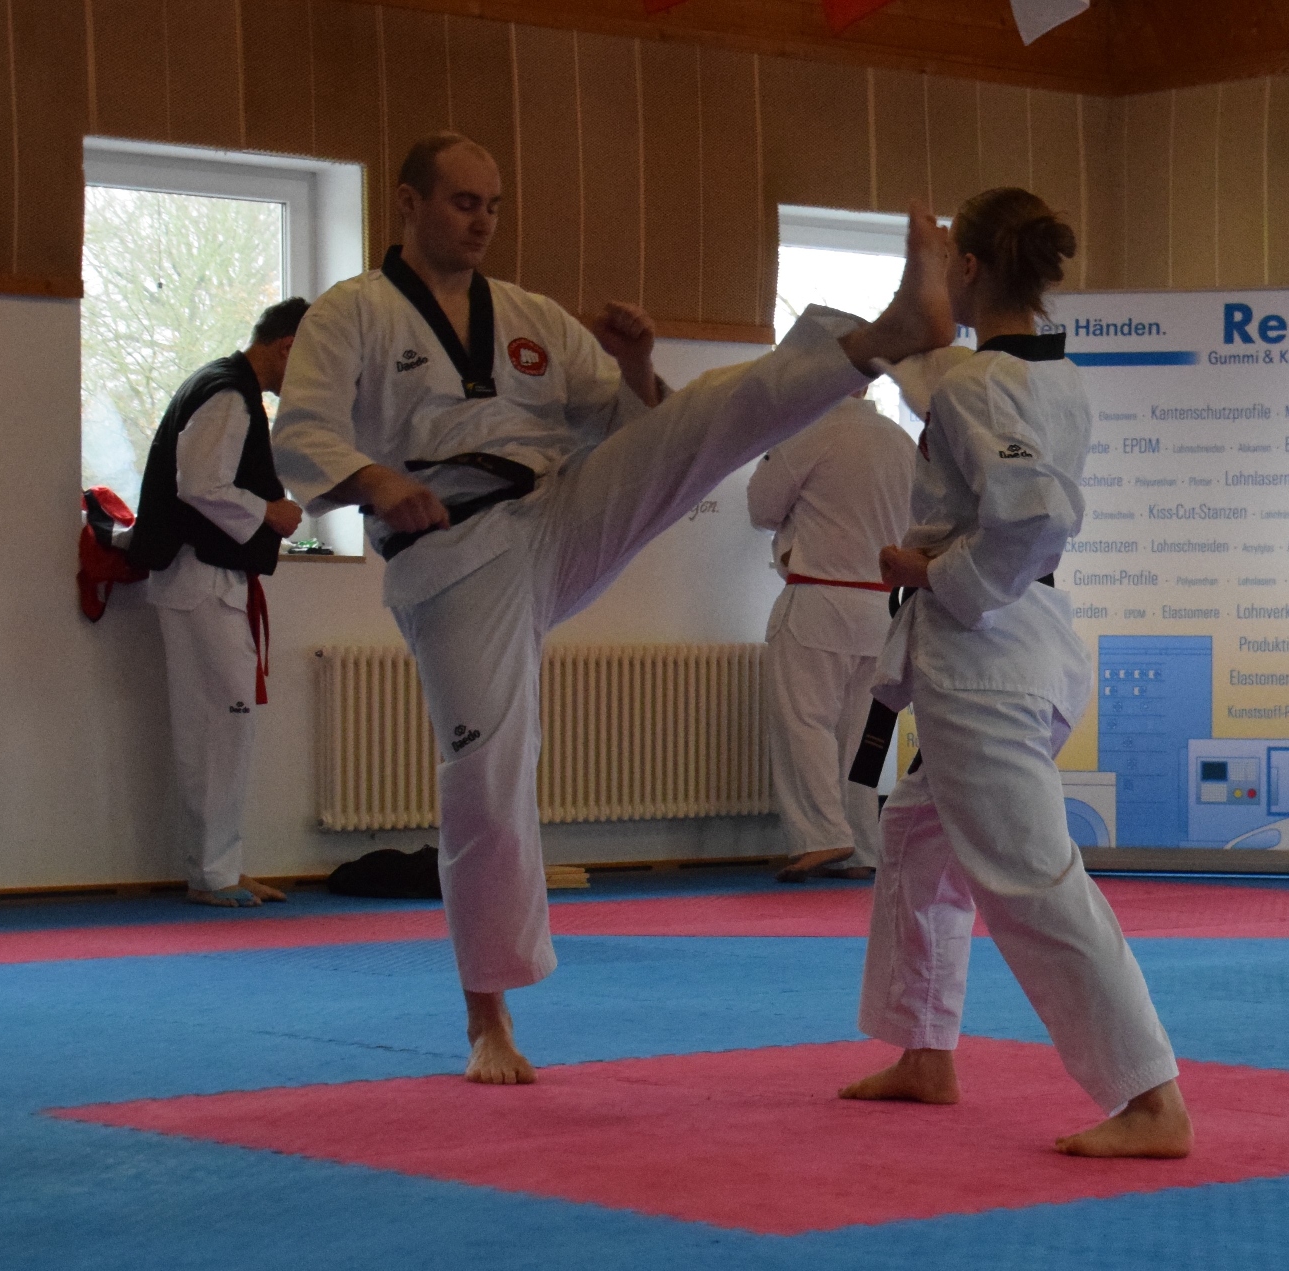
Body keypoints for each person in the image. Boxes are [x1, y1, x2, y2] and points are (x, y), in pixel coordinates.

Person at [272, 131, 954, 1085]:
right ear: (408, 202)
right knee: (489, 771)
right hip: (452, 553)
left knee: (703, 412)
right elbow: (303, 434)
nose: (481, 221)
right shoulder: (352, 314)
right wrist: (380, 481)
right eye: (463, 201)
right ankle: (488, 1018)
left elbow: (635, 426)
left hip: (557, 511)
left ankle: (882, 336)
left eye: (493, 205)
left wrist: (636, 366)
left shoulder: (528, 315)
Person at [839, 188, 1193, 1159]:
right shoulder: (1046, 373)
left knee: (1030, 876)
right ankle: (925, 1049)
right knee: (916, 839)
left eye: (947, 262)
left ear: (970, 267)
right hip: (1015, 644)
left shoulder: (979, 385)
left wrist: (929, 571)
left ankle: (1150, 1096)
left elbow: (1034, 515)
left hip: (983, 654)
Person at [130, 298, 308, 908]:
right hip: (201, 579)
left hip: (206, 579)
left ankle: (220, 865)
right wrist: (271, 512)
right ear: (287, 347)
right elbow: (200, 483)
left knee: (224, 725)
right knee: (218, 724)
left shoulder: (224, 387)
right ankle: (213, 873)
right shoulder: (228, 394)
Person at [747, 392, 914, 883]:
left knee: (804, 721)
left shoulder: (809, 432)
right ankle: (862, 847)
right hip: (882, 607)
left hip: (818, 598)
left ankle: (822, 836)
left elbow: (761, 507)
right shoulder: (902, 442)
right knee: (863, 736)